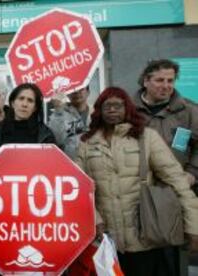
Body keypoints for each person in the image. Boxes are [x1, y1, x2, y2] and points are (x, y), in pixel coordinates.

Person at [76, 87, 198, 276]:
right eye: (107, 105)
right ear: (99, 110)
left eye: (118, 105)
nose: (112, 110)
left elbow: (177, 181)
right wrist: (95, 219)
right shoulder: (87, 142)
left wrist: (193, 225)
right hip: (106, 242)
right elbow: (78, 188)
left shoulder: (146, 137)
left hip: (145, 238)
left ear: (128, 109)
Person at [134, 59, 198, 187]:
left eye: (170, 81)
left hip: (177, 189)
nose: (165, 86)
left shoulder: (190, 111)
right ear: (146, 81)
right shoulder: (129, 111)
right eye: (159, 80)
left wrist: (192, 173)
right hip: (138, 189)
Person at [0, 83, 56, 158]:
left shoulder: (45, 135)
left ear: (35, 108)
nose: (24, 104)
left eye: (30, 100)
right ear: (13, 103)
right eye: (21, 98)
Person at [48, 86, 92, 160]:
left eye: (81, 89)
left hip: (94, 165)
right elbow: (56, 140)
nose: (77, 92)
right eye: (73, 89)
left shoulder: (97, 114)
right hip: (72, 164)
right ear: (68, 94)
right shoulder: (59, 115)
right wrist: (58, 109)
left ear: (88, 92)